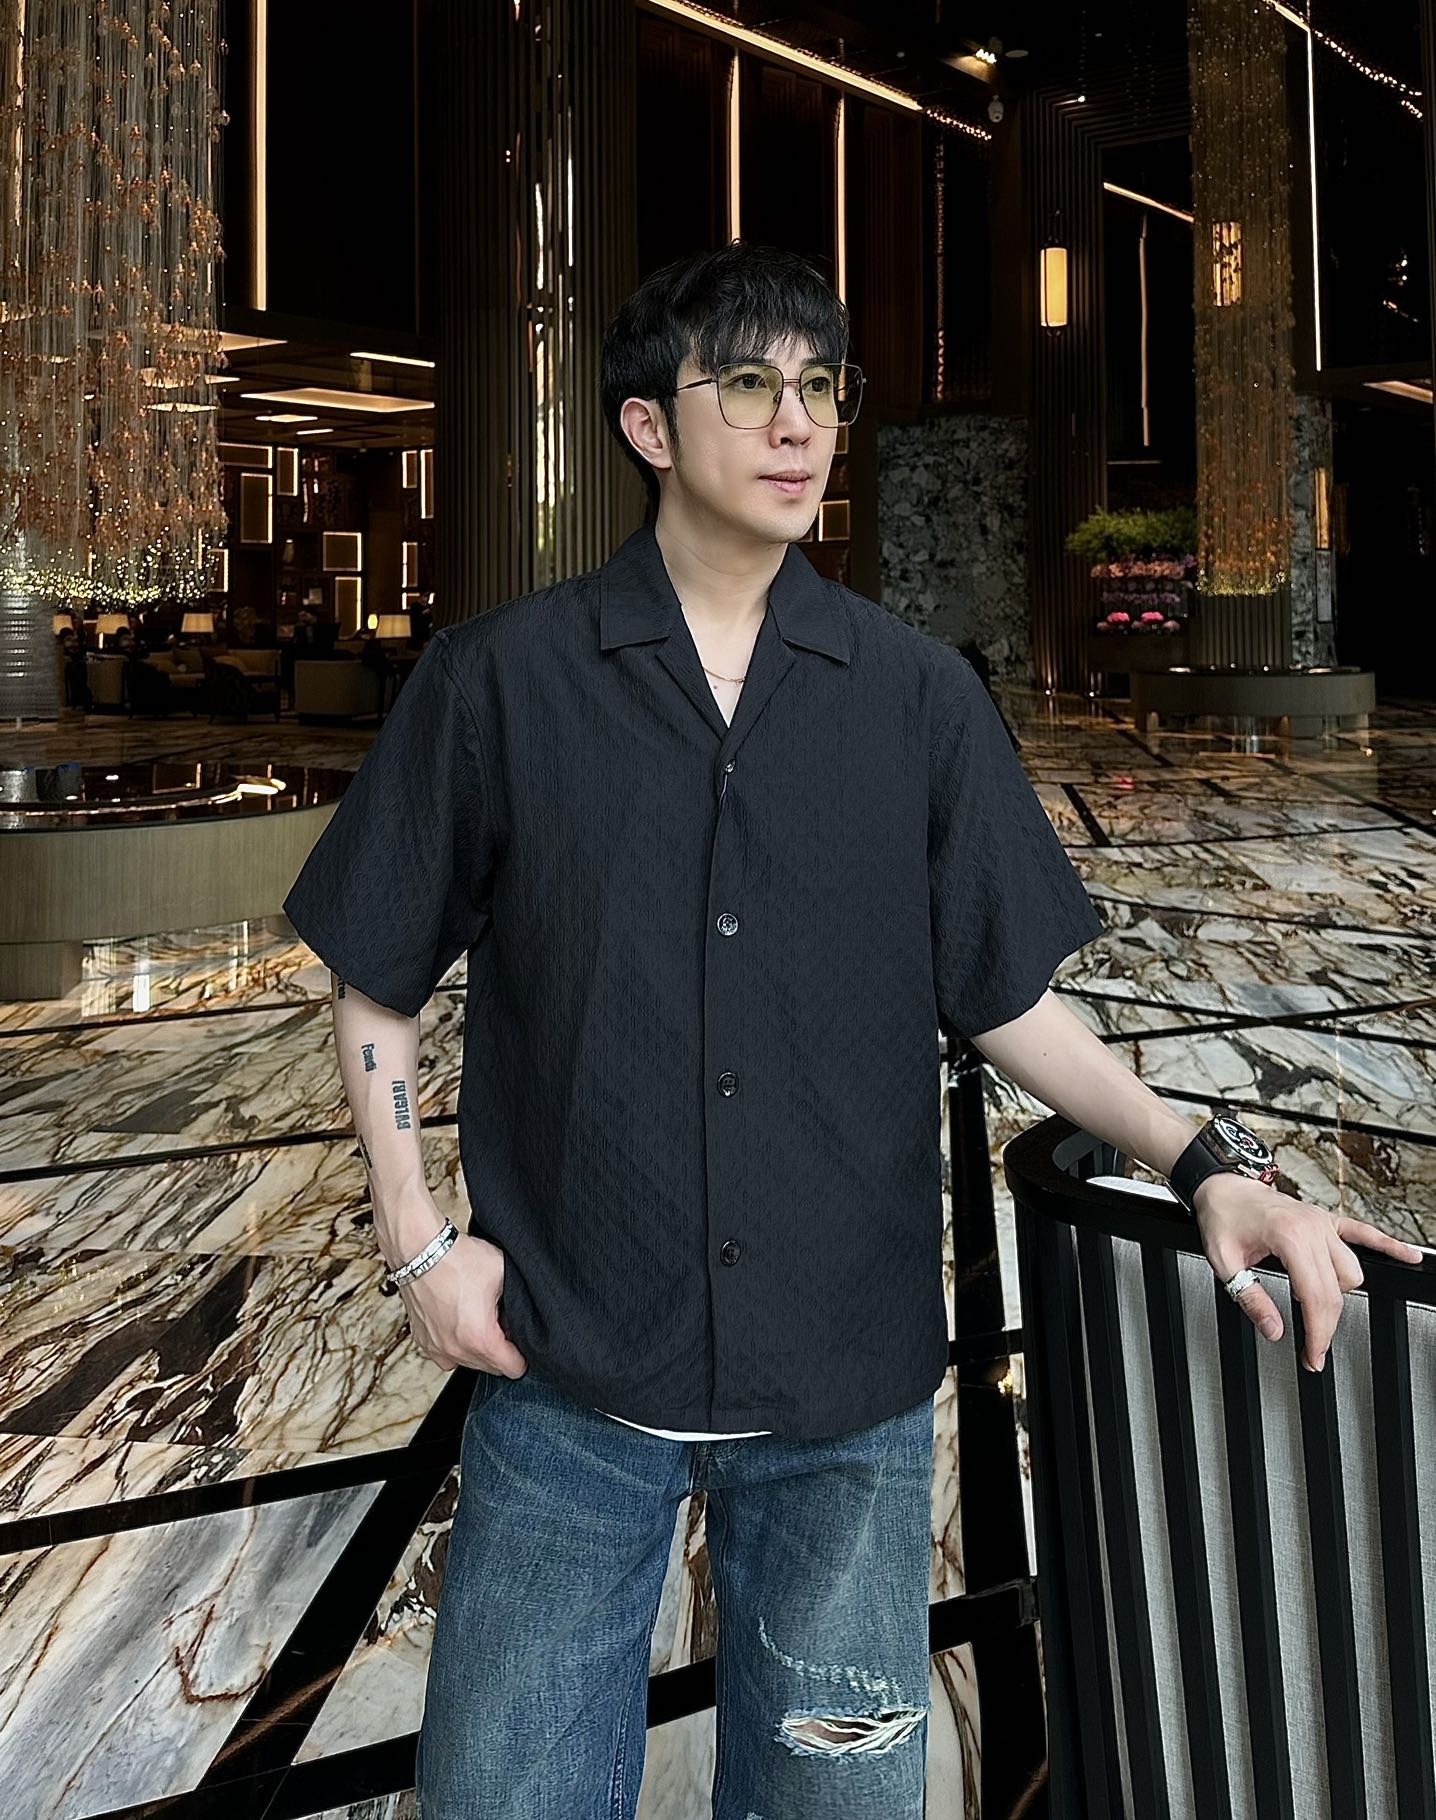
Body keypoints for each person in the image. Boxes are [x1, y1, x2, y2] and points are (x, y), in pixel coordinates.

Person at [281, 241, 1423, 1820]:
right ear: (646, 426)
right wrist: (418, 1241)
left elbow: (1008, 1000)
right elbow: (380, 972)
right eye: (748, 382)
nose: (796, 422)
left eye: (822, 387)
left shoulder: (917, 699)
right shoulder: (504, 681)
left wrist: (1204, 1160)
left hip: (844, 1400)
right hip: (564, 1370)